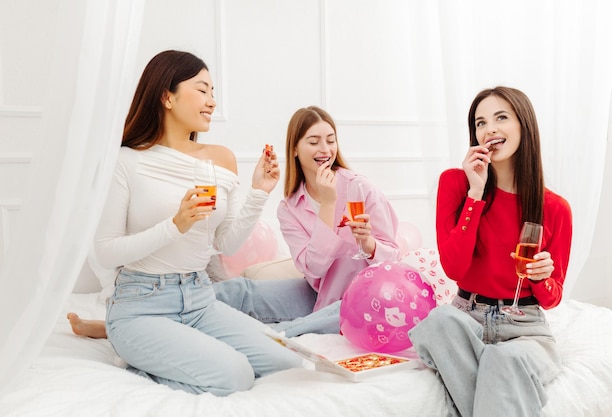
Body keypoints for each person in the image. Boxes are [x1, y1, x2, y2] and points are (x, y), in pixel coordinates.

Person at [69, 106, 401, 338]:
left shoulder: (360, 188)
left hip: (362, 300)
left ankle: (266, 337)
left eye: (330, 139)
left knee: (302, 324)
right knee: (238, 290)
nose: (324, 148)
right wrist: (327, 207)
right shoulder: (290, 207)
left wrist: (369, 245)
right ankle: (127, 324)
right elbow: (313, 271)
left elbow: (393, 259)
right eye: (313, 141)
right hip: (320, 291)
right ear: (296, 150)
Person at [88, 49, 301, 396]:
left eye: (213, 92)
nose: (212, 101)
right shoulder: (127, 161)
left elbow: (227, 244)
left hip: (200, 299)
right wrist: (175, 224)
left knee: (287, 362)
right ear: (166, 96)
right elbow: (105, 251)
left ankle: (165, 351)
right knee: (236, 376)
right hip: (141, 306)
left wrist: (259, 192)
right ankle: (133, 350)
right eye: (202, 90)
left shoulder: (221, 159)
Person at [408, 86, 573, 417]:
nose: (489, 129)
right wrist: (476, 192)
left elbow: (551, 298)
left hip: (525, 328)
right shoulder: (456, 183)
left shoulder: (555, 208)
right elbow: (454, 268)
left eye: (501, 118)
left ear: (523, 126)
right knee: (438, 320)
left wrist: (541, 278)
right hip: (466, 317)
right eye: (480, 123)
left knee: (503, 358)